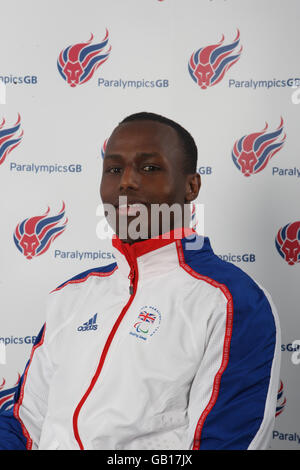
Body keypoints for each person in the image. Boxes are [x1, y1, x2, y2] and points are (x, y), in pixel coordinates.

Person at [0, 112, 281, 450]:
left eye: (149, 168)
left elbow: (228, 442)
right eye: (114, 169)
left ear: (191, 186)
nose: (126, 182)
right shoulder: (72, 294)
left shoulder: (232, 300)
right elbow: (24, 422)